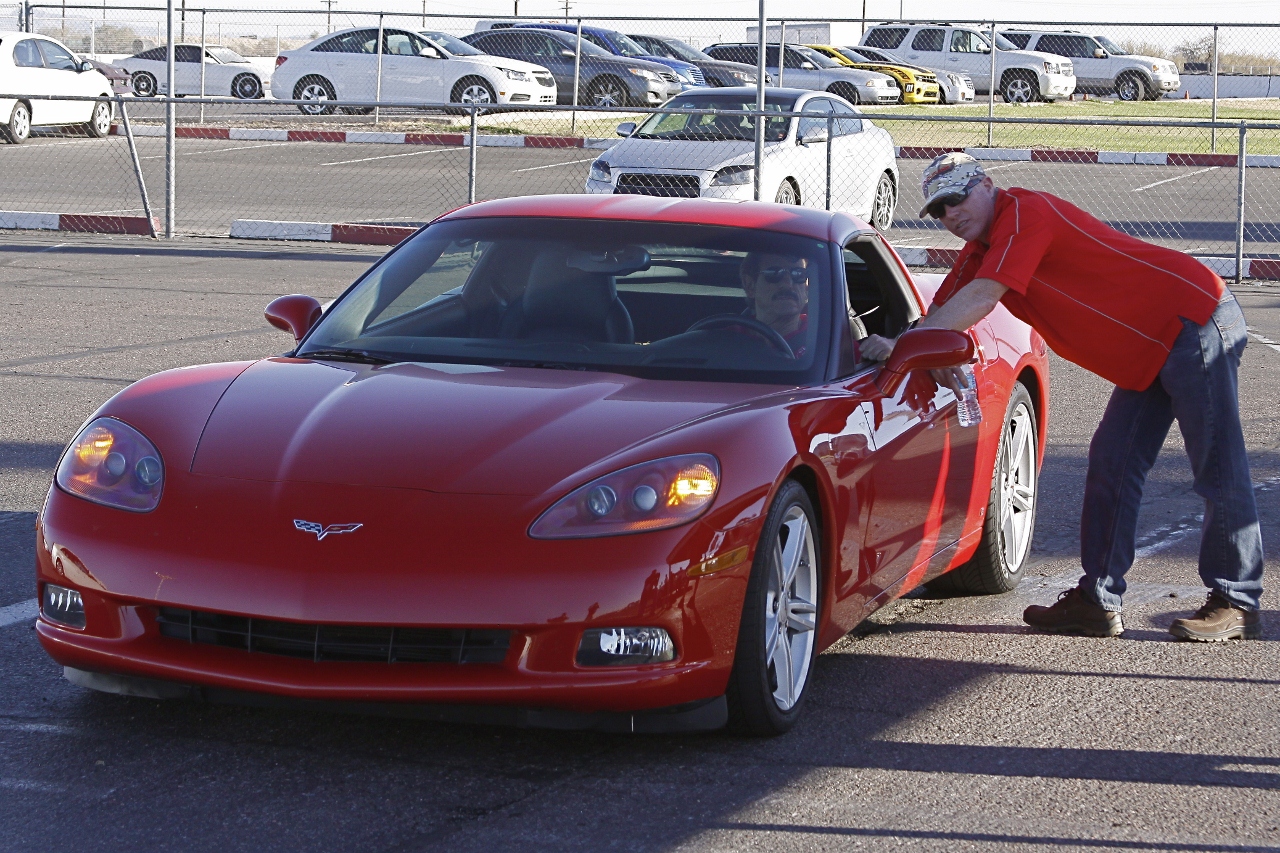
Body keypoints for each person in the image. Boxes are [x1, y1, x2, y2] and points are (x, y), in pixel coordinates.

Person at [860, 152, 1264, 641]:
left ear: (987, 184)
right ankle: (1098, 601)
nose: (951, 216)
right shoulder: (980, 250)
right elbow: (939, 315)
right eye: (940, 210)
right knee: (1112, 463)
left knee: (1216, 464)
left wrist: (903, 347)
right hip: (1149, 349)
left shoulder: (1025, 214)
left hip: (1193, 318)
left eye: (958, 198)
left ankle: (1236, 599)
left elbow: (981, 298)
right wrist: (902, 345)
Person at [739, 251, 814, 357]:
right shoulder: (725, 340)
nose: (788, 284)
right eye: (774, 273)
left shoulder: (825, 340)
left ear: (806, 287)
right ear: (750, 285)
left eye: (799, 274)